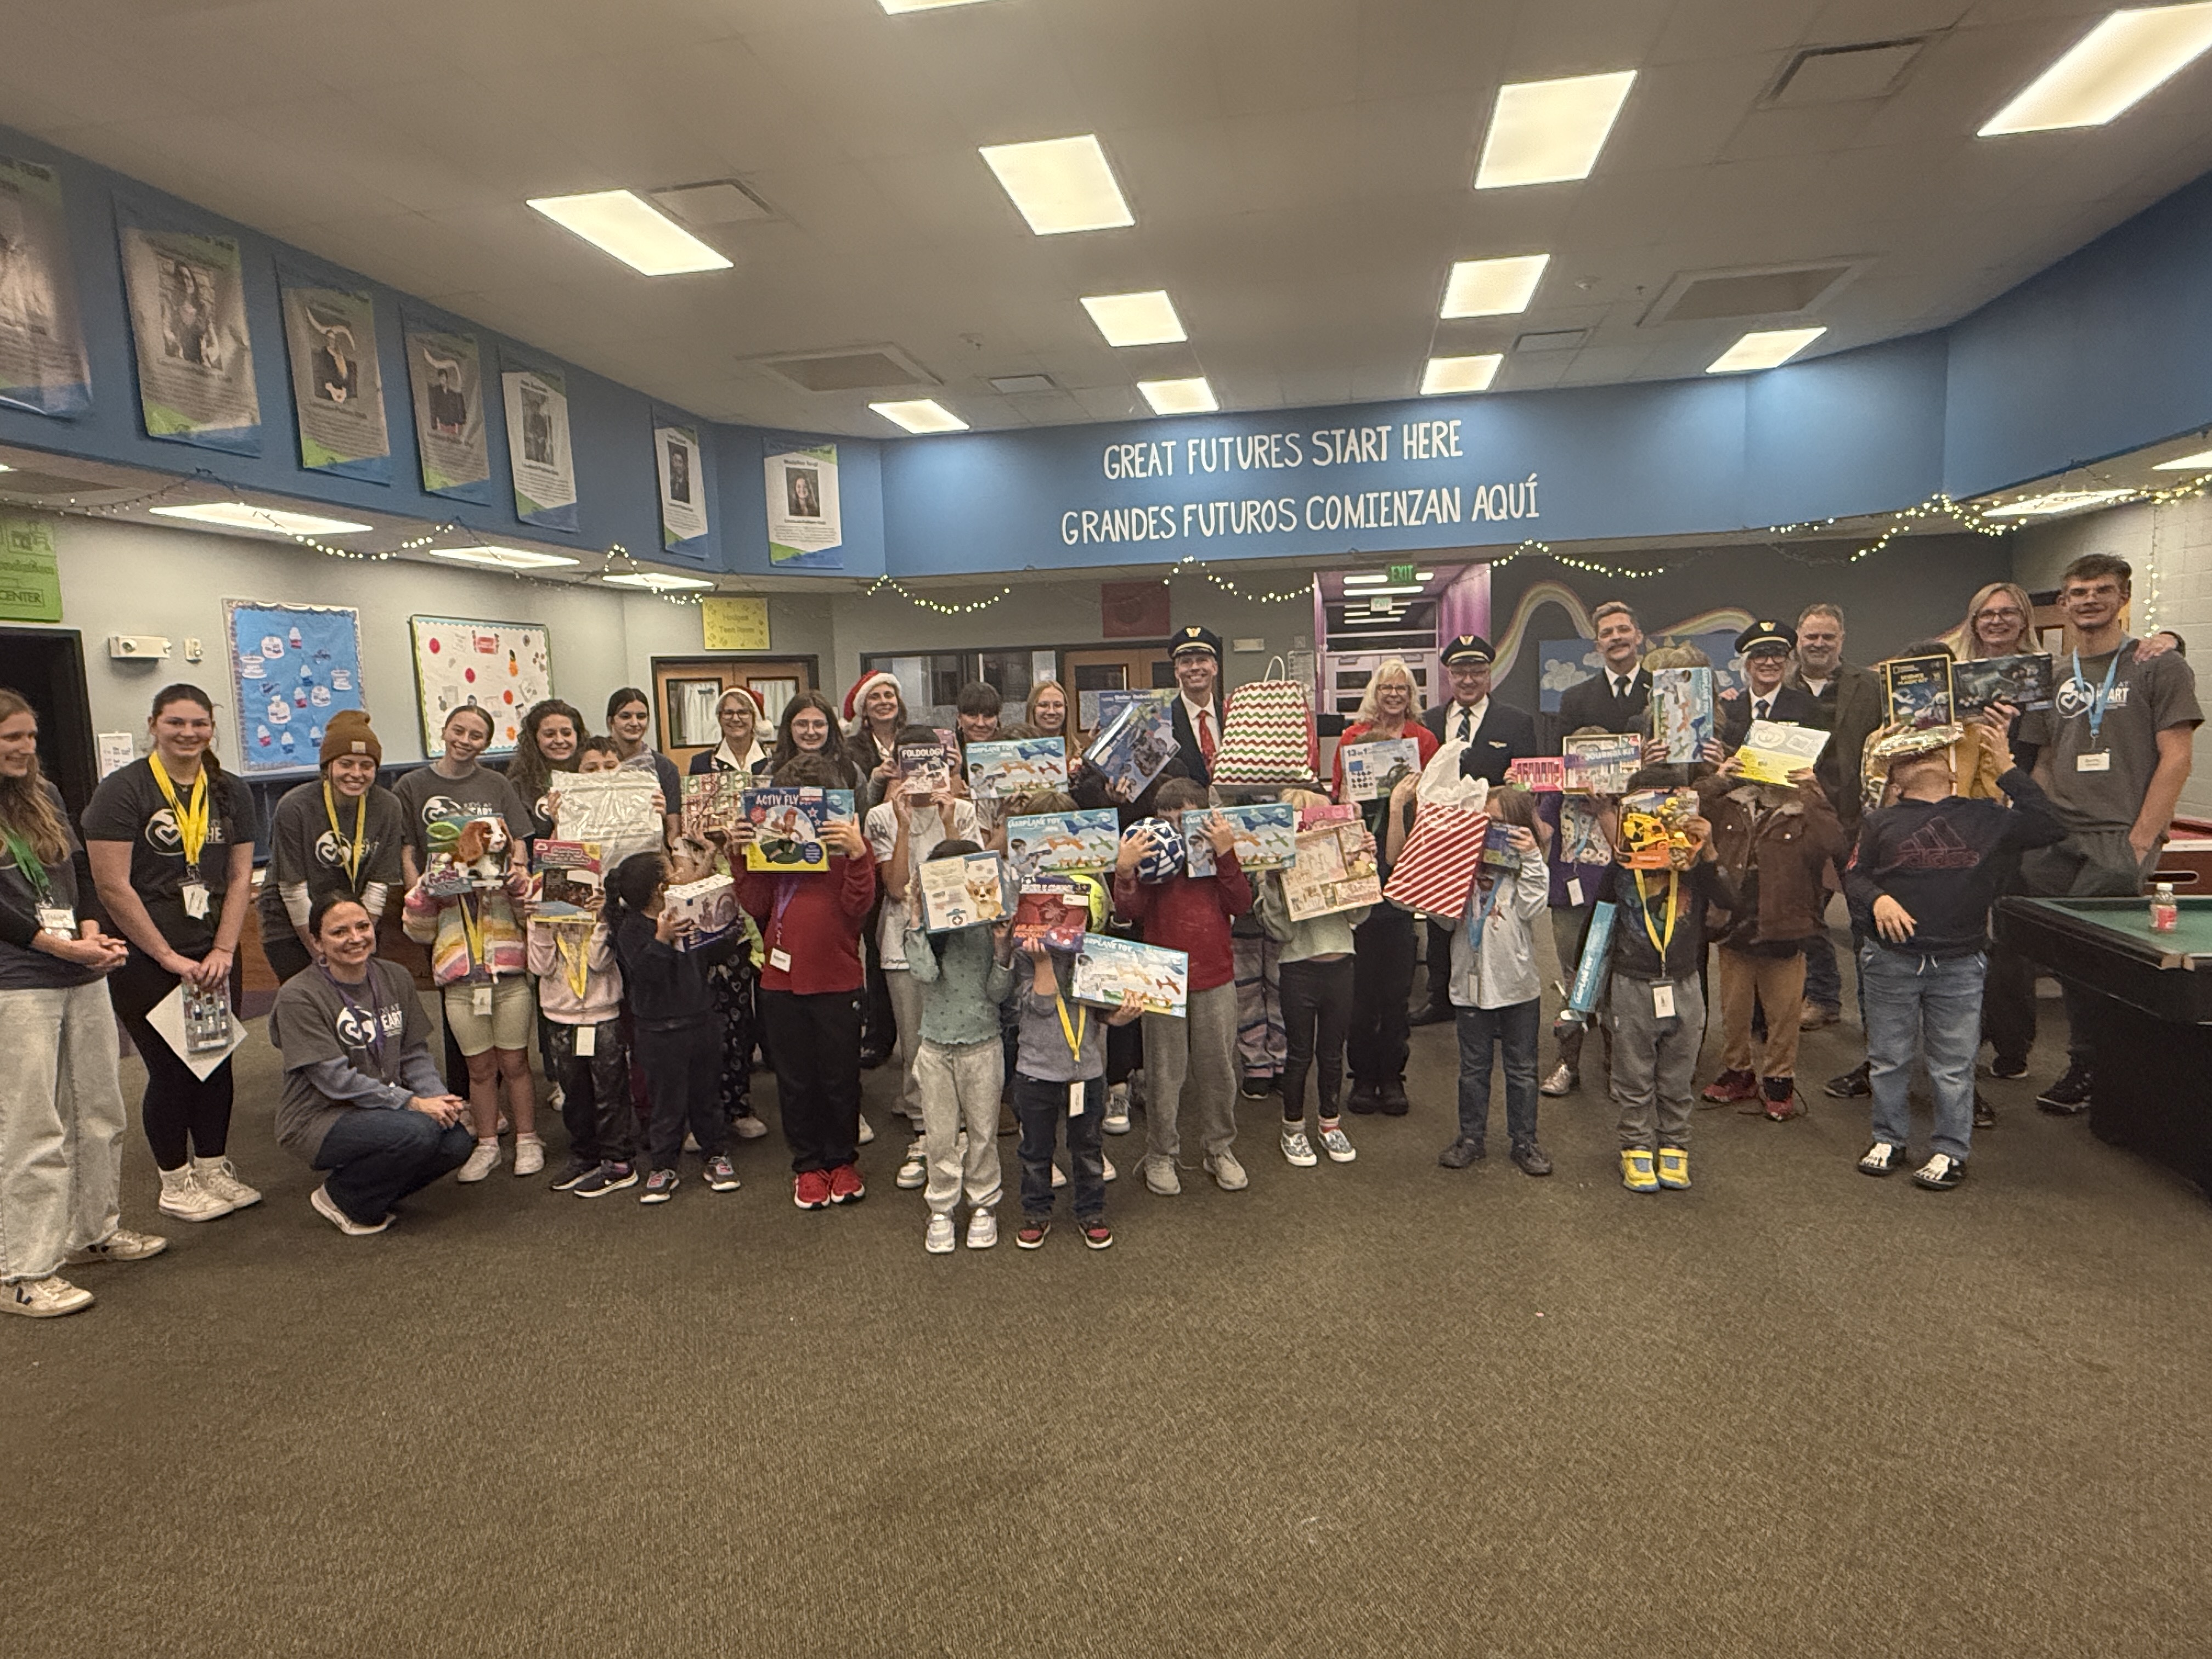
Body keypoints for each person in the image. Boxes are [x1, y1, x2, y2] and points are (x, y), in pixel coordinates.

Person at [2017, 553, 2201, 1115]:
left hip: (2119, 835)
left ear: (2123, 597)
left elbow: (2177, 757)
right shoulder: (2053, 675)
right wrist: (2043, 821)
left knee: (2096, 959)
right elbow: (2043, 757)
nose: (2089, 600)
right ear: (2063, 603)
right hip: (2058, 837)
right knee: (2065, 957)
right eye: (2078, 592)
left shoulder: (2158, 666)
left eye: (2102, 590)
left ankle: (2095, 1064)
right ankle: (2097, 1061)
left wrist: (2142, 839)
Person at [1848, 716, 2067, 1189]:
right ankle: (1888, 1138)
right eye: (1912, 756)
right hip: (1892, 960)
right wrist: (1878, 899)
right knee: (1888, 1058)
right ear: (1896, 781)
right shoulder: (1881, 822)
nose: (1923, 759)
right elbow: (1855, 877)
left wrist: (2006, 767)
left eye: (1932, 753)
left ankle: (1951, 1150)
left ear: (1953, 771)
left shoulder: (1986, 817)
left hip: (1959, 962)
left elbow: (2051, 826)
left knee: (1953, 1064)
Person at [0, 689, 163, 1317]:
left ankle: (93, 1231)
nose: (25, 749)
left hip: (80, 972)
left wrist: (92, 934)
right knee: (32, 1126)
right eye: (11, 738)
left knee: (99, 1109)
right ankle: (23, 1270)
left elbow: (78, 877)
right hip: (18, 982)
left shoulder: (45, 794)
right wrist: (56, 945)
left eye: (30, 737)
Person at [83, 683, 263, 1224]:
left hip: (211, 953)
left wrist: (225, 948)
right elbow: (112, 886)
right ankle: (175, 1181)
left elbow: (239, 877)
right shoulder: (123, 791)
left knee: (214, 1062)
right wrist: (165, 955)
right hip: (146, 955)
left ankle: (211, 1167)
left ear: (212, 728)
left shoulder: (229, 791)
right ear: (153, 725)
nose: (188, 733)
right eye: (176, 723)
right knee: (170, 1069)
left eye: (199, 724)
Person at [268, 896, 472, 1235]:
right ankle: (341, 1197)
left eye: (362, 927)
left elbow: (413, 1053)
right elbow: (334, 1079)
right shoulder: (298, 996)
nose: (355, 938)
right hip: (319, 1117)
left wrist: (439, 1099)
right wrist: (412, 1103)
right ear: (316, 942)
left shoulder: (395, 977)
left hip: (381, 1105)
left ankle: (369, 1187)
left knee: (456, 1141)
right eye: (339, 932)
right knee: (418, 1132)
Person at [735, 751, 879, 1209]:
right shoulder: (773, 845)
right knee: (795, 1080)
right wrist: (740, 854)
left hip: (837, 979)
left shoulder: (848, 845)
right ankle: (808, 1165)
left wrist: (858, 855)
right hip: (781, 981)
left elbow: (858, 908)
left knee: (841, 1078)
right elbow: (756, 905)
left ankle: (842, 1161)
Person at [1595, 770, 1736, 1194]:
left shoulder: (1694, 867)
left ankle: (1675, 1143)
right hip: (1632, 980)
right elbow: (1598, 924)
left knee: (1678, 1072)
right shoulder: (1622, 868)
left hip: (1684, 980)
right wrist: (1588, 991)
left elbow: (1732, 901)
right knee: (1633, 1073)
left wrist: (1708, 850)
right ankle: (1636, 1145)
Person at [1112, 780, 1251, 1195]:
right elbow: (1128, 911)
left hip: (1214, 973)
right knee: (1163, 1073)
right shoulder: (1153, 856)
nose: (1176, 831)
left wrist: (1226, 854)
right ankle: (1160, 1153)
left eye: (1185, 821)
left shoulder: (1218, 853)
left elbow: (1241, 904)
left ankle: (1219, 1148)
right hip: (1161, 974)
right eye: (1167, 822)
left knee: (1218, 1070)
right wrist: (1125, 871)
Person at [1693, 752, 1846, 1121]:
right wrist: (1720, 779)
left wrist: (1813, 792)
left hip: (1786, 925)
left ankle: (1779, 1081)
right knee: (1734, 1008)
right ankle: (1737, 1072)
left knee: (1784, 1013)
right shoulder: (1730, 804)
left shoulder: (1804, 812)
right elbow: (1688, 809)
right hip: (1733, 922)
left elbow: (1836, 844)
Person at [867, 731, 983, 1186]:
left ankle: (962, 1126)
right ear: (898, 767)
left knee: (964, 1037)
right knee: (916, 1043)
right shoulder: (881, 816)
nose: (922, 773)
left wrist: (949, 820)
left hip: (960, 941)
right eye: (911, 763)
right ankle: (924, 1129)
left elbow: (969, 881)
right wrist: (901, 825)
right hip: (903, 941)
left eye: (931, 762)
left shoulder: (964, 810)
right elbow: (897, 888)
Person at [400, 804, 538, 1181]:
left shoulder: (508, 876)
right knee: (479, 1070)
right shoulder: (440, 881)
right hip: (460, 986)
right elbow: (419, 931)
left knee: (516, 1064)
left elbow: (532, 918)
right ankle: (488, 1143)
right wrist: (427, 891)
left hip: (508, 981)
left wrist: (513, 884)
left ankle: (528, 1139)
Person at [604, 850, 746, 1206]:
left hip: (700, 1021)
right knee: (666, 1105)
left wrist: (728, 930)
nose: (681, 874)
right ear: (660, 889)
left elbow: (712, 954)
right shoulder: (631, 928)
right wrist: (662, 939)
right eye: (673, 871)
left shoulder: (687, 912)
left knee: (707, 1098)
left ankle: (716, 1155)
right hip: (658, 1033)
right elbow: (644, 975)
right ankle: (664, 1166)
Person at [899, 839, 1015, 1253]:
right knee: (940, 1134)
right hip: (936, 1044)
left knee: (984, 1132)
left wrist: (1002, 947)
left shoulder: (989, 923)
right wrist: (917, 918)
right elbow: (924, 973)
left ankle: (984, 1203)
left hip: (982, 1042)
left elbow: (999, 993)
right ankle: (942, 1208)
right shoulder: (929, 927)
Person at [1418, 633, 1539, 1025]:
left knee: (1495, 917)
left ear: (1489, 674)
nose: (1468, 680)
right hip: (1443, 840)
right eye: (1460, 672)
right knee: (1442, 914)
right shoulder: (1428, 723)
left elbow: (1529, 788)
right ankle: (1441, 998)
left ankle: (1498, 1003)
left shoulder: (1517, 721)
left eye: (1477, 671)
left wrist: (1519, 786)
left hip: (1495, 840)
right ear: (1448, 676)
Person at [1334, 657, 1442, 1095]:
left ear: (1411, 695)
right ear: (1374, 694)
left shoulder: (1423, 739)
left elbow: (1433, 803)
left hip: (1402, 875)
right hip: (1360, 877)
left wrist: (1403, 802)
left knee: (1396, 990)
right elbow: (1338, 801)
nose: (1394, 695)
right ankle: (1362, 1075)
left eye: (1402, 688)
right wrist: (1349, 801)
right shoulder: (1352, 737)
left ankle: (1393, 1076)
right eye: (1386, 688)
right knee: (1359, 991)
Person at [1438, 787, 1553, 1173]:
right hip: (1469, 982)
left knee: (1522, 1068)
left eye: (1501, 824)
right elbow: (1441, 920)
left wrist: (1531, 856)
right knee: (1473, 1068)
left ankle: (1525, 1141)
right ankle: (1471, 1138)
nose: (1491, 832)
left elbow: (1533, 907)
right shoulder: (1464, 869)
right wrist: (1446, 871)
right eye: (1484, 823)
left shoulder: (1525, 868)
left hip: (1517, 983)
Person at [1254, 790, 1369, 1168]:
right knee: (1299, 1053)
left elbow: (1360, 915)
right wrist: (1273, 882)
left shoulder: (1342, 850)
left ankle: (1330, 1124)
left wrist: (1362, 863)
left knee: (1333, 1053)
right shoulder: (1273, 868)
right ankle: (1293, 1127)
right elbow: (1280, 931)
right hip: (1299, 968)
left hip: (1341, 965)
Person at [1785, 603, 1884, 1032]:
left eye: (1828, 637)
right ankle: (1823, 997)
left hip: (1857, 819)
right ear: (1799, 639)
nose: (1819, 644)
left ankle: (1876, 1011)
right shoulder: (1781, 688)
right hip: (1799, 821)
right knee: (1806, 916)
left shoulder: (1872, 687)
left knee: (1865, 917)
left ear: (1842, 639)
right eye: (1812, 637)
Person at [1009, 934, 1142, 1250]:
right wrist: (1043, 962)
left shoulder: (1091, 953)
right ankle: (1036, 1213)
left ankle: (1091, 1212)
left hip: (1086, 1071)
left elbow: (1101, 1011)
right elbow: (1042, 1004)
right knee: (1035, 1150)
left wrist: (1120, 1016)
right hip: (1037, 1071)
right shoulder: (1025, 956)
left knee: (1088, 1148)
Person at [255, 709, 405, 983]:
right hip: (293, 923)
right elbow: (292, 889)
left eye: (366, 766)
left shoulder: (388, 807)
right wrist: (320, 951)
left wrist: (358, 939)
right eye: (346, 764)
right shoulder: (295, 806)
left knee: (357, 995)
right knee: (310, 997)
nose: (356, 774)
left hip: (352, 918)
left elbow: (378, 886)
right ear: (328, 767)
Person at [526, 866, 636, 1198]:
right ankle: (585, 1155)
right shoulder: (542, 912)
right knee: (574, 1093)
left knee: (610, 1091)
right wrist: (542, 924)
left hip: (603, 1013)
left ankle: (618, 1160)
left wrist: (600, 919)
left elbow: (599, 962)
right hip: (560, 1014)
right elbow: (540, 967)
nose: (571, 897)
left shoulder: (601, 911)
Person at [1537, 733, 1617, 1098]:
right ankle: (1567, 1063)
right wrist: (1528, 795)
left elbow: (1628, 849)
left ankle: (1616, 1066)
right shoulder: (1558, 795)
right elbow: (1542, 834)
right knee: (1574, 979)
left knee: (1613, 983)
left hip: (1613, 897)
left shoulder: (1622, 797)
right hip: (1568, 898)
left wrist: (1605, 810)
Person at [392, 704, 534, 888]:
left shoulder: (498, 783)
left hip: (492, 890)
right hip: (436, 892)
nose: (465, 741)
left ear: (486, 745)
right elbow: (407, 853)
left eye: (476, 736)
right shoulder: (410, 785)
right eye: (458, 731)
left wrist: (518, 867)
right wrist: (415, 896)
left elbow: (518, 839)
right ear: (444, 732)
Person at [1714, 620, 1821, 749]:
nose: (1770, 663)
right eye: (1760, 656)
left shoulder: (1808, 706)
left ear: (1786, 662)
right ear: (1747, 664)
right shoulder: (1727, 709)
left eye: (1778, 655)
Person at [1555, 601, 1651, 736]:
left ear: (1639, 637)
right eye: (1607, 633)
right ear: (1598, 646)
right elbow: (1562, 748)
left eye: (1624, 629)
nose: (1616, 637)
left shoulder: (1661, 689)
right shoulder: (1575, 699)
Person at [605, 687, 683, 842]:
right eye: (626, 716)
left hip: (650, 850)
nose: (634, 723)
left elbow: (674, 829)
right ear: (611, 721)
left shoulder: (665, 768)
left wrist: (661, 815)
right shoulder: (592, 761)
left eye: (641, 717)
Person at [506, 698, 586, 839]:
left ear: (578, 736)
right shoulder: (519, 787)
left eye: (566, 733)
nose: (559, 740)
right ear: (535, 739)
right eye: (549, 734)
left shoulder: (591, 775)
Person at [767, 691, 865, 792]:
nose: (811, 732)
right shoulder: (773, 769)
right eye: (802, 724)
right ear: (789, 728)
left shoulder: (851, 770)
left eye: (819, 724)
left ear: (830, 728)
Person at [1165, 626, 1224, 789]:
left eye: (1202, 660)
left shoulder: (1233, 716)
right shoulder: (1163, 722)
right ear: (1177, 672)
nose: (1195, 667)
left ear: (1215, 668)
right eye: (1186, 662)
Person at [842, 669, 908, 789]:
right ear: (864, 709)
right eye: (875, 697)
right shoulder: (849, 750)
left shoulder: (914, 741)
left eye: (888, 695)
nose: (883, 701)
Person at [687, 686, 769, 778]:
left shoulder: (774, 761)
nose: (735, 719)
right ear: (720, 718)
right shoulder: (700, 764)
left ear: (754, 718)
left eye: (743, 712)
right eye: (728, 713)